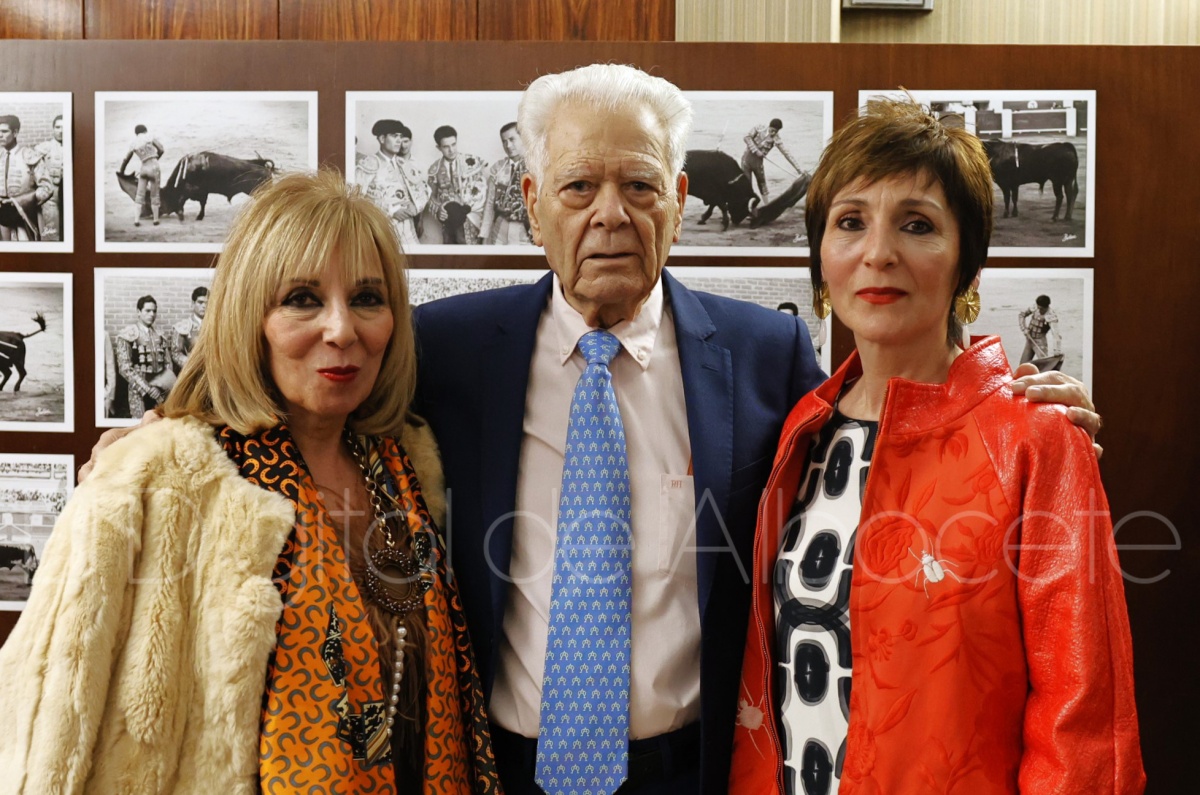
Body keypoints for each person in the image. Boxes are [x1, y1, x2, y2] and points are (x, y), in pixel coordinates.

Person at [412, 65, 1101, 795]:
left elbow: (906, 435)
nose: (610, 214)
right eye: (578, 186)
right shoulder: (446, 352)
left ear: (679, 202)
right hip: (498, 771)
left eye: (640, 186)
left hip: (699, 771)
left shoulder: (765, 356)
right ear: (532, 202)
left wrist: (1027, 411)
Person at [0, 171, 501, 792]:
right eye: (302, 298)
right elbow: (52, 725)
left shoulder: (405, 466)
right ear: (248, 315)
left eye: (368, 298)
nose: (342, 329)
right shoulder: (159, 479)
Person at [729, 98, 1143, 794]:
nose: (878, 253)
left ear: (968, 267)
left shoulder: (1035, 437)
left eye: (917, 224)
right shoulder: (803, 427)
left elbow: (1085, 725)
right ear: (821, 260)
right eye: (850, 222)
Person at [356, 119, 431, 249]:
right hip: (381, 227)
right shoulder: (369, 163)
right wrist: (391, 210)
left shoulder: (404, 164)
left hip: (408, 229)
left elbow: (425, 189)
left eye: (400, 137)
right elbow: (355, 197)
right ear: (382, 139)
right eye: (394, 136)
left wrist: (416, 206)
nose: (398, 141)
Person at [114, 294, 176, 417]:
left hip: (160, 389)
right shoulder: (128, 334)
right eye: (148, 311)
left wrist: (159, 387)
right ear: (138, 312)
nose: (152, 314)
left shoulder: (160, 335)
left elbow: (168, 364)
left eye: (154, 311)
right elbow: (125, 368)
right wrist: (148, 389)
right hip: (138, 390)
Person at [426, 124, 487, 244]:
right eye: (446, 146)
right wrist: (438, 210)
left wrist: (465, 209)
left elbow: (481, 189)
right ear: (438, 147)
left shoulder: (471, 162)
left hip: (470, 218)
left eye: (453, 144)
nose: (451, 150)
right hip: (448, 221)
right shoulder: (435, 169)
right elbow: (429, 196)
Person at [0, 114, 52, 242]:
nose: (0, 135)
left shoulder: (29, 155)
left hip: (24, 215)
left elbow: (47, 188)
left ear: (15, 132)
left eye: (4, 131)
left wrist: (21, 201)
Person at [480, 121, 532, 245]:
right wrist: (484, 235)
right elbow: (490, 203)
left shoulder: (536, 167)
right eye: (504, 141)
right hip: (500, 228)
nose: (508, 145)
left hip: (526, 230)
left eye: (512, 139)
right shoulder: (498, 169)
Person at [742, 118, 802, 203]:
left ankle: (766, 205)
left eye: (776, 131)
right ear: (769, 126)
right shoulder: (759, 128)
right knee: (746, 185)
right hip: (746, 160)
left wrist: (798, 169)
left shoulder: (776, 138)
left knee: (762, 184)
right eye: (772, 130)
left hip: (758, 163)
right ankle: (746, 206)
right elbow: (746, 137)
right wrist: (756, 150)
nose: (773, 133)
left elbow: (786, 154)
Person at [119, 123, 165, 227]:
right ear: (145, 131)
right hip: (154, 166)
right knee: (155, 194)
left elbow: (126, 159)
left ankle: (136, 220)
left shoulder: (133, 142)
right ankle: (155, 220)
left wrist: (121, 171)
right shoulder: (150, 136)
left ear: (136, 133)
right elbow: (161, 149)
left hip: (143, 168)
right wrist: (156, 158)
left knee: (139, 195)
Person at [34, 114, 64, 242]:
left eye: (64, 127)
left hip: (73, 194)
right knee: (51, 233)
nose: (61, 131)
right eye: (58, 127)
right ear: (53, 129)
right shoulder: (44, 148)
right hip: (51, 196)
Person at [172, 285, 208, 369]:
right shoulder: (183, 326)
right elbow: (176, 353)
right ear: (193, 303)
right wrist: (191, 365)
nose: (204, 306)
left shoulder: (214, 327)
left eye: (207, 303)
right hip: (193, 369)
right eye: (200, 302)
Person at [1019, 293, 1062, 364]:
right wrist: (1024, 329)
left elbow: (1056, 335)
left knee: (1045, 364)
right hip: (1030, 339)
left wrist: (1057, 350)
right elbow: (1022, 315)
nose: (1039, 310)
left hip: (1040, 342)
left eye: (1041, 309)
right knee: (1022, 365)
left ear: (1046, 307)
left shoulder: (1051, 316)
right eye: (1038, 307)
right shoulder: (1036, 307)